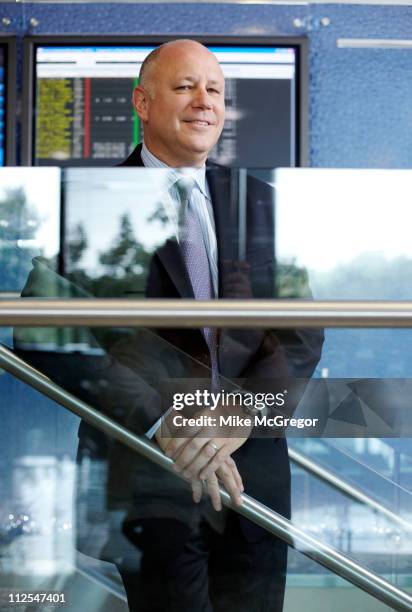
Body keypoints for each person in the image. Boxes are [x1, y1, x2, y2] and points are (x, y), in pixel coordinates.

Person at [15, 39, 323, 612]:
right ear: (142, 102)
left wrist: (241, 415)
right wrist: (163, 421)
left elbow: (303, 332)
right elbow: (43, 330)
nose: (203, 102)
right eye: (184, 87)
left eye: (214, 90)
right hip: (149, 471)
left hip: (252, 474)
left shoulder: (262, 202)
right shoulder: (86, 199)